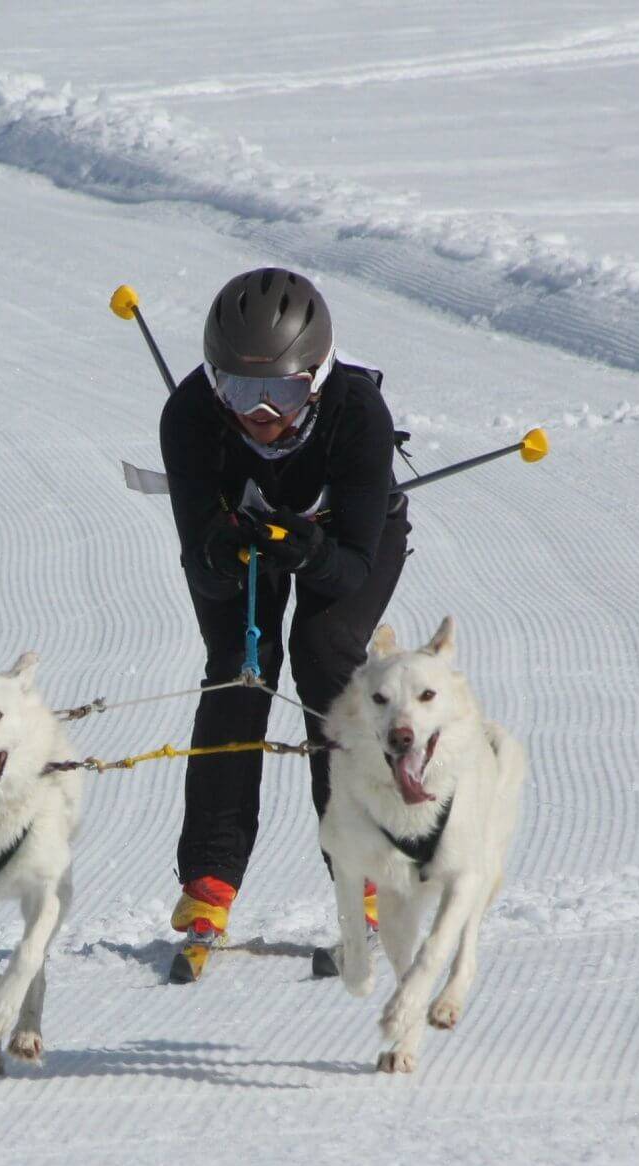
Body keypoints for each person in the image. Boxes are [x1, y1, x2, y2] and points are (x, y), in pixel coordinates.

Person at [160, 267, 409, 978]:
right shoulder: (189, 418)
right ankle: (207, 883)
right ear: (214, 383)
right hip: (244, 540)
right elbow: (202, 568)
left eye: (284, 390)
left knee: (326, 650)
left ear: (320, 376)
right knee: (242, 662)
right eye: (239, 390)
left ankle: (360, 870)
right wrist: (222, 545)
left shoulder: (358, 414)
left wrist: (308, 547)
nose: (261, 411)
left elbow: (356, 567)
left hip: (348, 541)